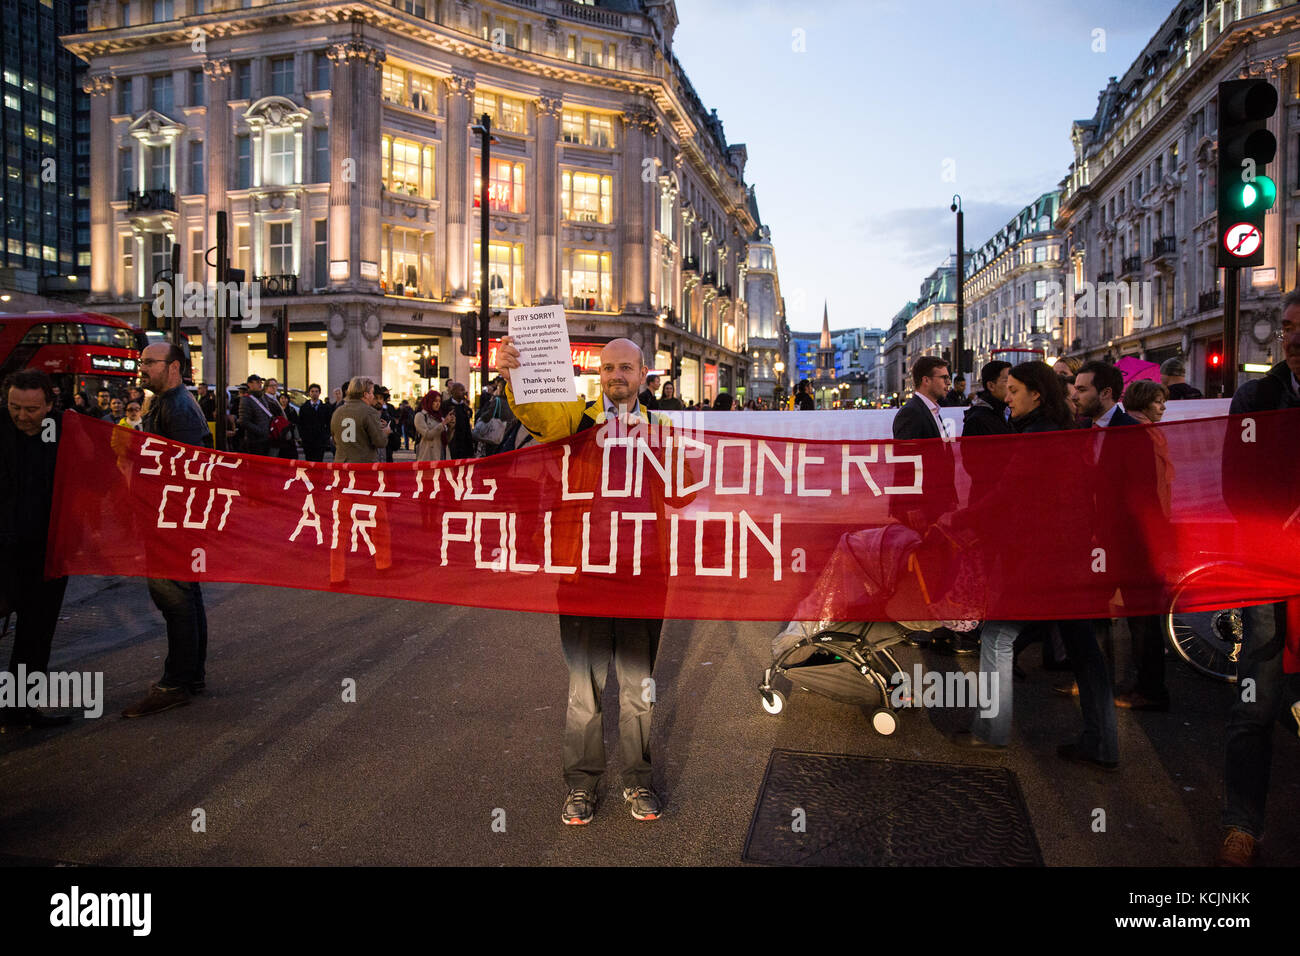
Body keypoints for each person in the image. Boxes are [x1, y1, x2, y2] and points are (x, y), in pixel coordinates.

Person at [495, 335, 669, 825]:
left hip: (642, 573)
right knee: (584, 690)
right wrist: (515, 377)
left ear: (643, 373)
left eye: (626, 367)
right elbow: (543, 419)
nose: (617, 375)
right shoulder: (575, 418)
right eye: (609, 367)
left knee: (639, 686)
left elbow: (682, 495)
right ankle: (582, 785)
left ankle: (638, 781)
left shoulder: (664, 429)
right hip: (582, 573)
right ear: (600, 375)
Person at [952, 362, 1118, 770]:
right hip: (1071, 559)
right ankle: (1103, 743)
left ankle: (991, 731)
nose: (1007, 398)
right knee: (1085, 652)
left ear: (1036, 395)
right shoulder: (1064, 432)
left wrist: (956, 521)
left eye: (1013, 390)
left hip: (1042, 562)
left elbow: (1006, 496)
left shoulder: (1037, 438)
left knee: (998, 636)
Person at [1215, 289, 1300, 866]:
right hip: (1269, 571)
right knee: (1255, 704)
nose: (1293, 338)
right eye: (1289, 327)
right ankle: (1243, 825)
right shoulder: (1257, 396)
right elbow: (1234, 483)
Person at [122, 343, 213, 719]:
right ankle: (189, 676)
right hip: (168, 517)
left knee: (176, 600)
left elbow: (190, 470)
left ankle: (175, 683)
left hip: (171, 521)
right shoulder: (165, 402)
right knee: (185, 597)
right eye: (141, 362)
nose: (142, 368)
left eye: (149, 363)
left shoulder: (178, 408)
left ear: (173, 366)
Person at [0, 370, 72, 732]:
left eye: (31, 409)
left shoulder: (66, 432)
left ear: (49, 403)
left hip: (48, 550)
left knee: (36, 635)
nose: (22, 416)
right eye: (14, 407)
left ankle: (20, 710)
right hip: (4, 550)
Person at [329, 376, 389, 464]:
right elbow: (380, 442)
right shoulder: (369, 412)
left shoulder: (338, 411)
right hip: (363, 466)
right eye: (372, 393)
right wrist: (385, 433)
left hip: (341, 464)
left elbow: (334, 440)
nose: (373, 397)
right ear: (365, 394)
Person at [962, 360, 1013, 437]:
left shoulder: (1006, 411)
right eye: (1007, 381)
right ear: (991, 386)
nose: (1012, 386)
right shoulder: (977, 420)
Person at [237, 374, 277, 455]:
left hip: (266, 439)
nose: (260, 384)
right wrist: (261, 431)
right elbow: (244, 421)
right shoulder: (246, 400)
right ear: (250, 384)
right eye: (257, 382)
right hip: (254, 441)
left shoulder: (262, 397)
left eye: (260, 382)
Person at [297, 383, 333, 462]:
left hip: (320, 440)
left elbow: (329, 423)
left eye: (316, 391)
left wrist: (326, 436)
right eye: (312, 391)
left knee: (319, 461)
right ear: (309, 393)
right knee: (309, 461)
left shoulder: (325, 408)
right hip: (308, 440)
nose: (314, 393)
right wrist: (303, 436)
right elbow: (300, 423)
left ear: (319, 393)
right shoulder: (304, 407)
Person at [413, 389, 448, 461]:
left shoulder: (440, 417)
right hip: (427, 456)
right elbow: (427, 435)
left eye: (439, 401)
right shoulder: (420, 416)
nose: (438, 404)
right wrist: (442, 424)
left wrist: (451, 426)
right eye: (435, 401)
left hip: (440, 456)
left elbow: (446, 438)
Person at [445, 381, 473, 460]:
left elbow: (467, 427)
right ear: (453, 391)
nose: (463, 392)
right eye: (461, 390)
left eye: (464, 390)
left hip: (464, 445)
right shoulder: (446, 405)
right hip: (452, 444)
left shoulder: (465, 407)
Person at [274, 390, 300, 459]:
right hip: (280, 434)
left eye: (285, 398)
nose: (283, 400)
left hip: (289, 435)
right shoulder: (277, 410)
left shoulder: (291, 410)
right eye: (282, 398)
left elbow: (295, 422)